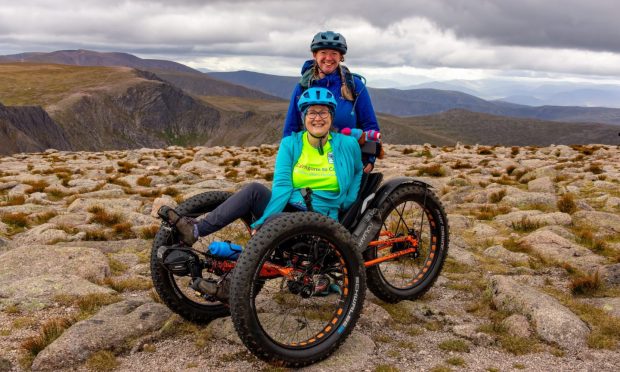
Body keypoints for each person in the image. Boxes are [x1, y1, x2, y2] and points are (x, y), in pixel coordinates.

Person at [166, 87, 363, 247]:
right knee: (254, 191)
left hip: (321, 217)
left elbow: (357, 170)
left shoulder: (347, 145)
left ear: (331, 116)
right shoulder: (291, 144)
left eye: (323, 112)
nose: (317, 118)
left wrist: (349, 200)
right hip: (289, 206)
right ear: (304, 117)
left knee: (268, 227)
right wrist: (267, 217)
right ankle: (196, 230)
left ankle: (233, 279)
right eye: (311, 112)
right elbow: (282, 186)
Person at [283, 31, 381, 173]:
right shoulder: (303, 87)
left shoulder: (354, 85)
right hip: (310, 162)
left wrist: (369, 160)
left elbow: (370, 125)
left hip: (348, 160)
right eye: (323, 52)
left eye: (334, 53)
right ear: (314, 55)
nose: (328, 58)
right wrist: (289, 162)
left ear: (341, 57)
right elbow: (291, 129)